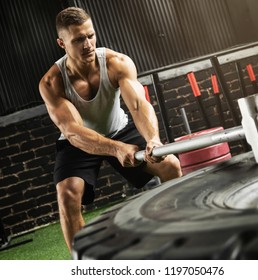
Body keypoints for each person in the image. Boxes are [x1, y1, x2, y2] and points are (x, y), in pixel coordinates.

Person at [39, 7, 182, 253]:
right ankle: (82, 263)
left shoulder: (117, 63)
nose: (88, 45)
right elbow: (73, 131)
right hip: (79, 141)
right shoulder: (52, 82)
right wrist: (115, 149)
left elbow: (138, 105)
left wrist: (153, 139)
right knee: (67, 194)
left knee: (170, 165)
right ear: (62, 43)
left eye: (90, 36)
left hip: (119, 129)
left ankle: (179, 233)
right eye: (78, 40)